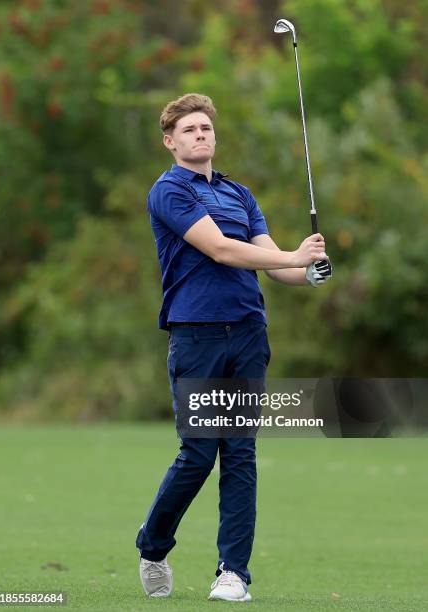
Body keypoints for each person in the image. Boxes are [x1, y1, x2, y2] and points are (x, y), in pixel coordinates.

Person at [136, 93, 331, 602]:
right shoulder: (168, 192)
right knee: (199, 454)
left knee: (240, 455)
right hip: (196, 335)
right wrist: (292, 253)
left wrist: (306, 271)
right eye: (189, 130)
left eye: (205, 128)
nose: (200, 135)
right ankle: (153, 546)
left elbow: (272, 265)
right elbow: (220, 249)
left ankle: (233, 573)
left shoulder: (239, 194)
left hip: (247, 334)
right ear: (170, 141)